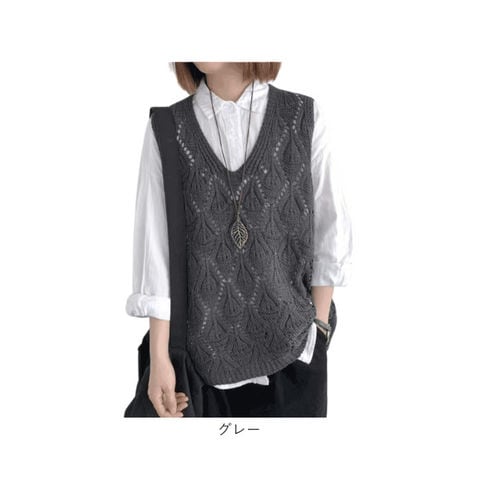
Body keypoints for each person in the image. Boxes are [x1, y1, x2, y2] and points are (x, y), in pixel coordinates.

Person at [125, 62, 353, 417]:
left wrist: (318, 332)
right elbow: (155, 252)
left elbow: (331, 229)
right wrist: (159, 358)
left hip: (294, 360)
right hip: (198, 374)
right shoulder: (168, 129)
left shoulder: (301, 115)